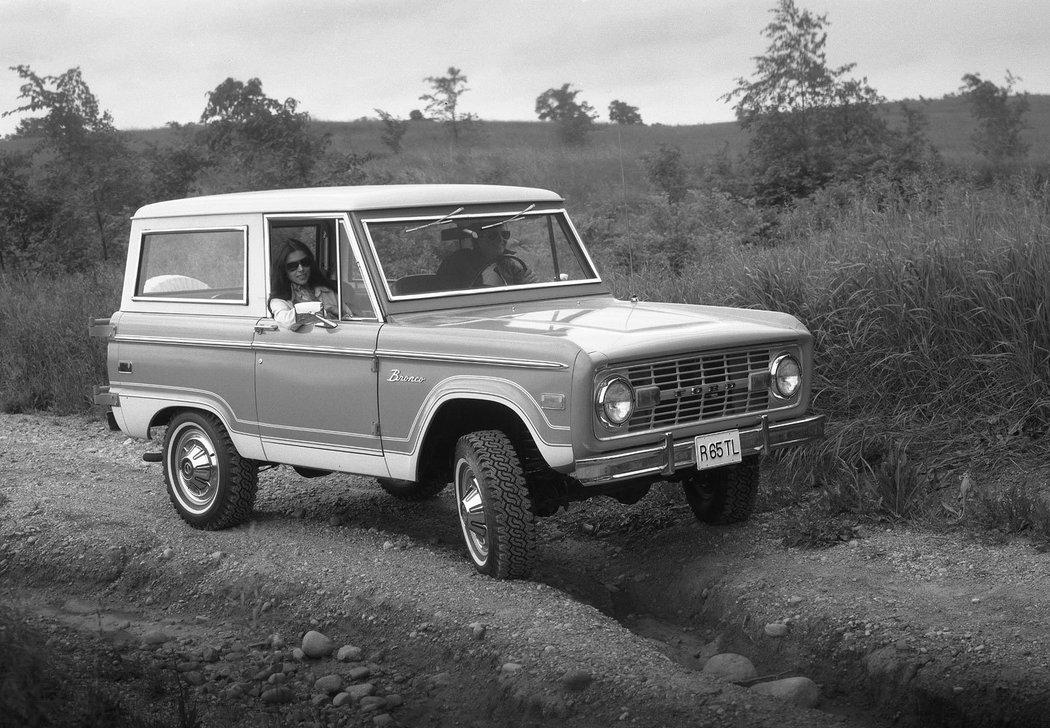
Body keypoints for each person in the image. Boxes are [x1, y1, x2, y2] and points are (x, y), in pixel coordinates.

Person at [268, 239, 351, 330]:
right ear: (283, 270)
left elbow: (352, 318)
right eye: (292, 266)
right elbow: (286, 322)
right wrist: (325, 308)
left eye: (305, 262)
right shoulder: (279, 300)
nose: (301, 269)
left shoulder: (327, 290)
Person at [471, 225, 536, 286]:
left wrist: (528, 281)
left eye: (505, 234)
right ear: (479, 240)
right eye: (492, 235)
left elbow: (523, 285)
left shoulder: (508, 265)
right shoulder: (466, 264)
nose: (501, 239)